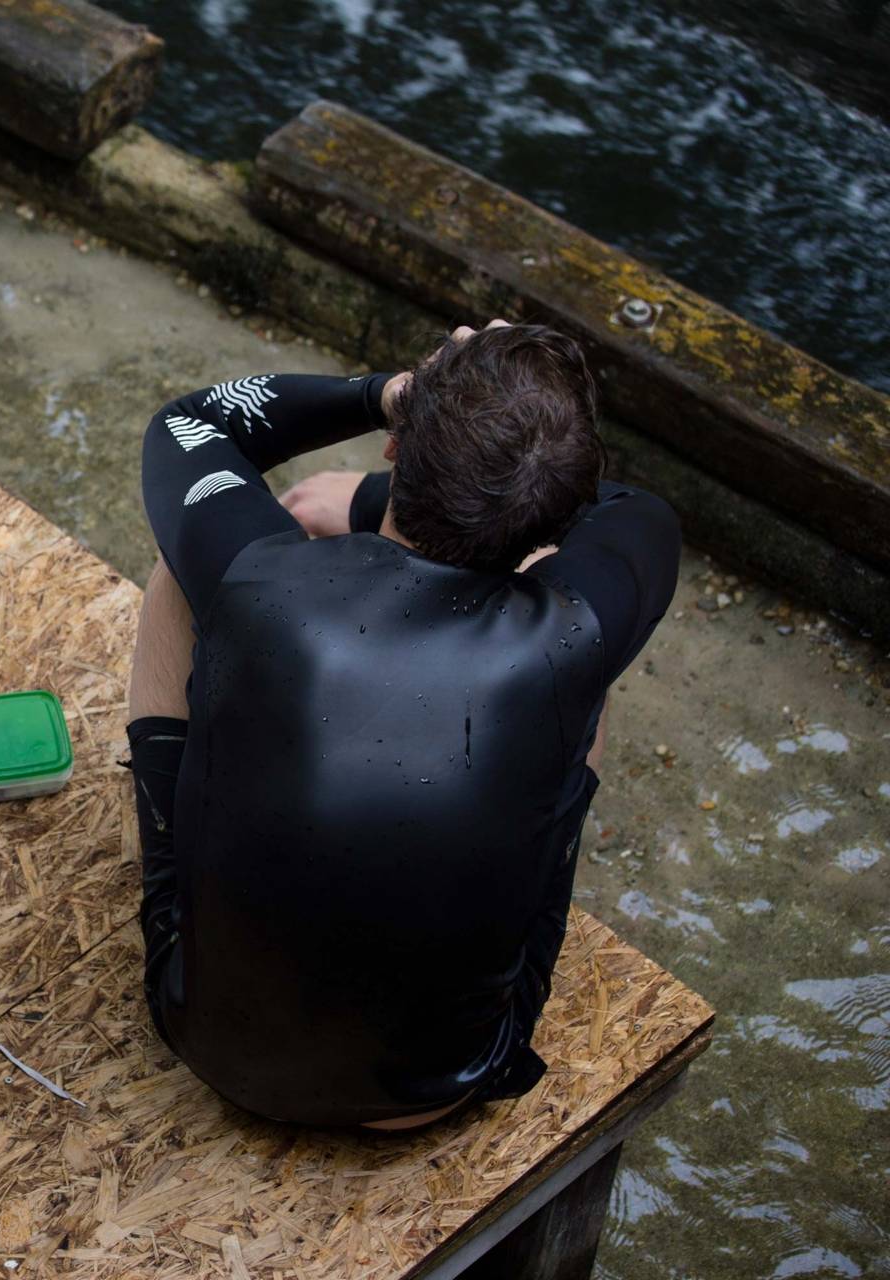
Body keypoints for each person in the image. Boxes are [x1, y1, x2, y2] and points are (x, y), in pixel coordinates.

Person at [126, 321, 679, 1129]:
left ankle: (187, 893)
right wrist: (520, 444)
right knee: (580, 660)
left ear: (395, 447)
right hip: (428, 1094)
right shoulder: (572, 620)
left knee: (179, 578)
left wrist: (386, 395)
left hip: (207, 1041)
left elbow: (188, 423)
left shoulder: (259, 575)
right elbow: (631, 514)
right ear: (557, 501)